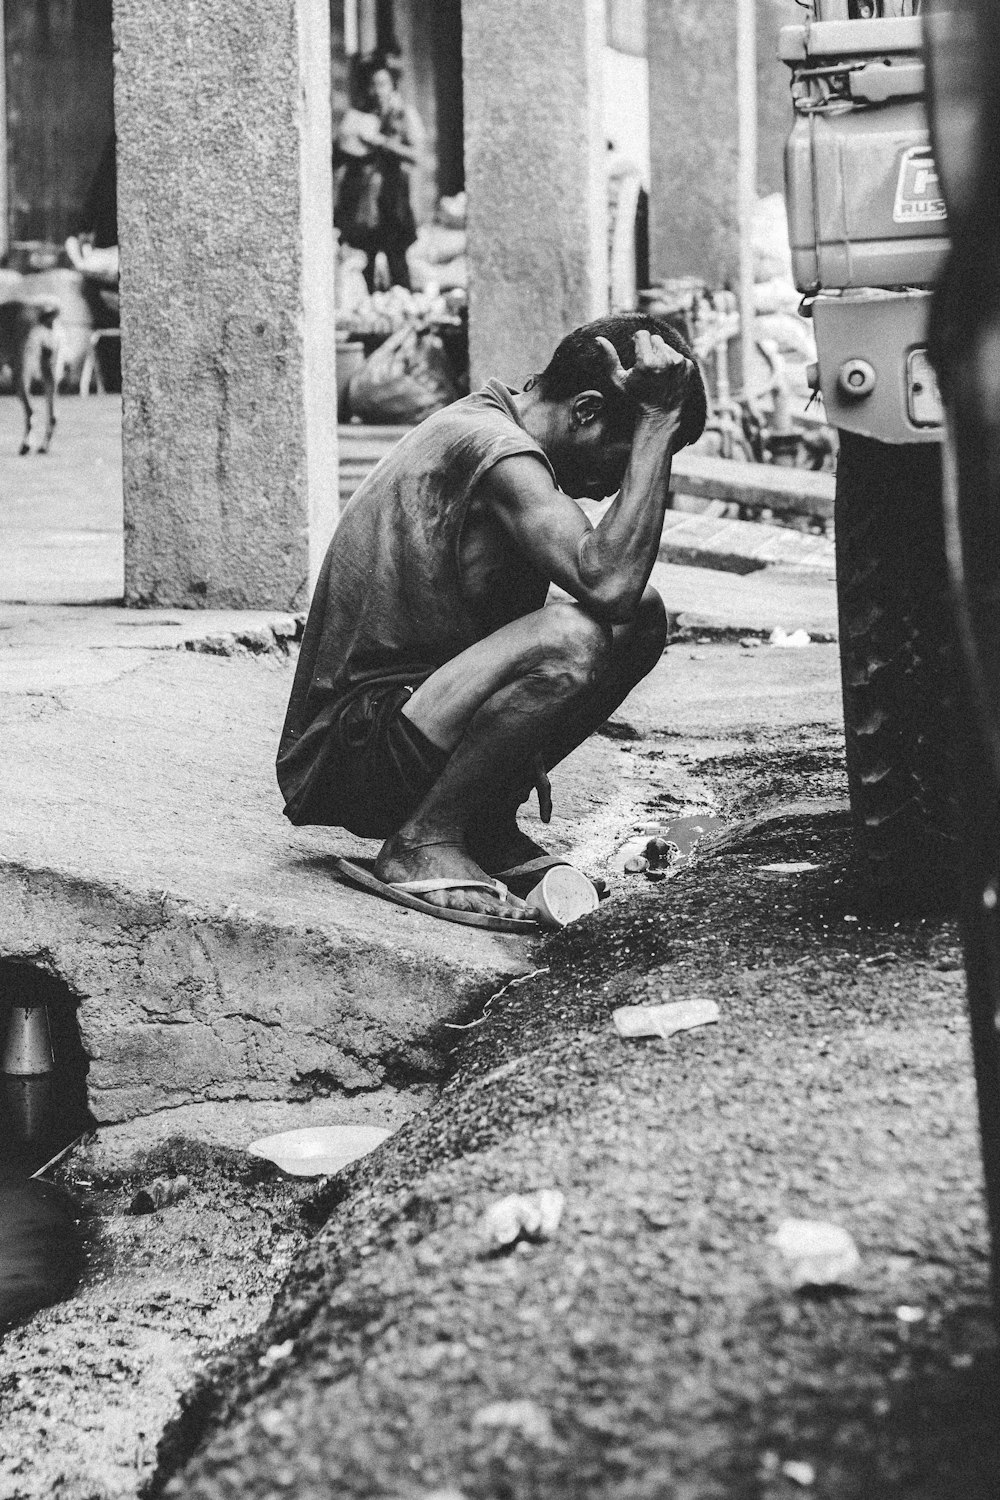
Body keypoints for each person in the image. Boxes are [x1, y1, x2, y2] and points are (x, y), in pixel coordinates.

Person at [277, 314, 707, 923]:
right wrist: (657, 422)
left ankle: (478, 823)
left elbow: (625, 599)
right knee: (571, 639)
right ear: (585, 412)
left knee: (643, 617)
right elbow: (606, 581)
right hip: (353, 752)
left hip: (410, 721)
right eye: (627, 454)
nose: (619, 486)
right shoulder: (496, 449)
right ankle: (425, 840)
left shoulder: (499, 424)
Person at [333, 58, 424, 293]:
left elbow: (416, 155)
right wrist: (346, 142)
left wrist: (382, 142)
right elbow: (337, 158)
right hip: (362, 204)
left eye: (382, 84)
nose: (376, 91)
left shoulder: (404, 114)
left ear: (393, 85)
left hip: (391, 200)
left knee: (396, 262)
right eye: (371, 85)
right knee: (364, 262)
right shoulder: (360, 115)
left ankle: (402, 313)